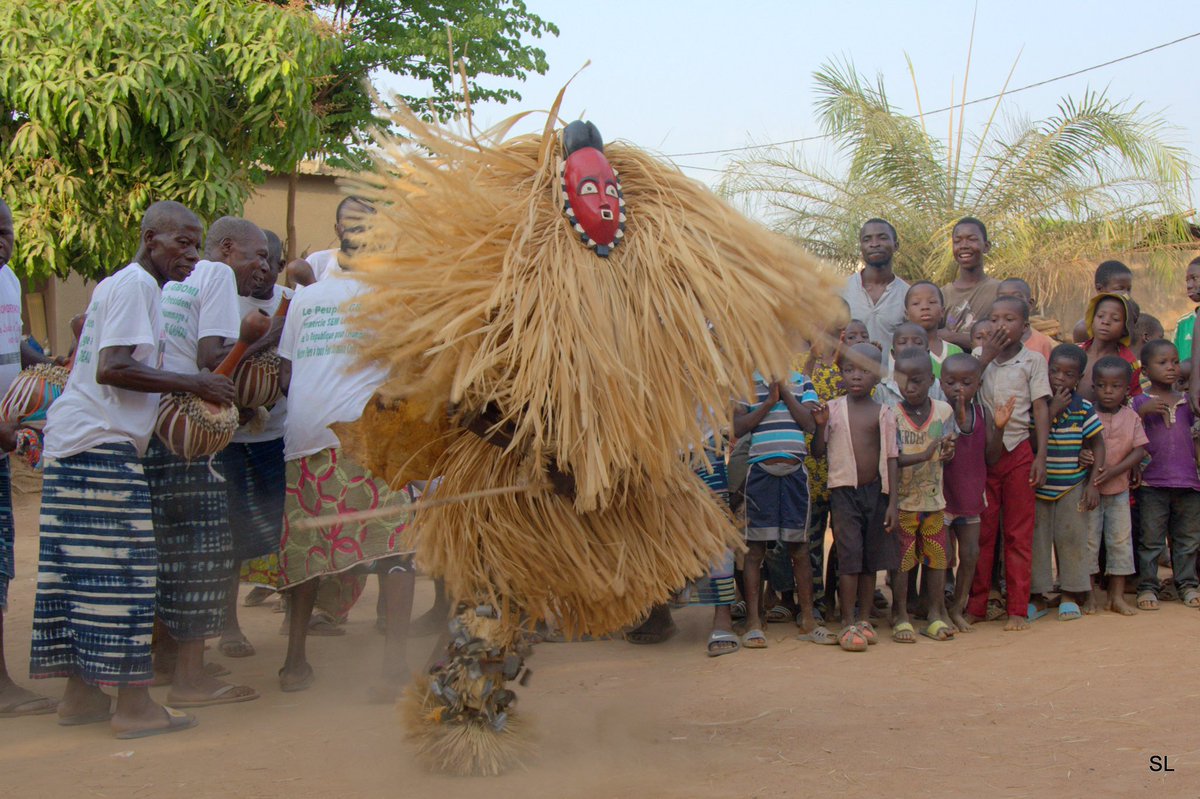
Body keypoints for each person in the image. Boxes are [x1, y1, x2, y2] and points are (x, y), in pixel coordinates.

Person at [29, 201, 235, 737]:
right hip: (99, 446)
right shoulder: (138, 287)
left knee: (81, 575)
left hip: (75, 445)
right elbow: (113, 368)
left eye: (196, 244)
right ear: (150, 239)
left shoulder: (124, 286)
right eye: (182, 243)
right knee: (126, 574)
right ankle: (134, 707)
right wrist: (196, 384)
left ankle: (81, 698)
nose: (191, 255)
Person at [276, 230, 416, 699]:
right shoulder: (389, 297)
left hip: (303, 439)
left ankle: (294, 664)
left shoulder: (306, 297)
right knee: (396, 548)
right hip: (361, 439)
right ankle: (393, 665)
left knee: (306, 550)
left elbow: (286, 372)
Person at [143, 216, 261, 707]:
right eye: (257, 255)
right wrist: (254, 339)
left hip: (153, 428)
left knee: (166, 550)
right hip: (188, 434)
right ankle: (190, 679)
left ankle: (163, 660)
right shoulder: (212, 276)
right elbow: (211, 359)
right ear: (229, 250)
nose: (263, 267)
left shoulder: (165, 282)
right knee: (201, 551)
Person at [0, 198, 62, 718]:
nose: (3, 242)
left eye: (8, 233)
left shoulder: (8, 281)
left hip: (3, 436)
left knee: (2, 566)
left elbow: (16, 343)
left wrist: (52, 366)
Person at [215, 225, 289, 658]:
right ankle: (228, 626)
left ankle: (288, 604)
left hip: (275, 436)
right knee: (229, 534)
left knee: (278, 526)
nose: (262, 270)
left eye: (270, 262)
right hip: (225, 438)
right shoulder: (224, 299)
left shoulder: (291, 305)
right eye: (257, 260)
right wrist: (267, 336)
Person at [967, 295, 1050, 631]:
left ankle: (1017, 607)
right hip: (984, 458)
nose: (1001, 325)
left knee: (1018, 534)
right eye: (995, 319)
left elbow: (1041, 408)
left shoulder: (1033, 361)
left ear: (1025, 327)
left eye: (1010, 319)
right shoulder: (976, 358)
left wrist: (1040, 456)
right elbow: (965, 392)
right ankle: (976, 605)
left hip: (1018, 453)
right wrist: (984, 357)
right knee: (982, 535)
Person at [810, 343, 898, 651]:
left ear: (877, 376)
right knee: (849, 556)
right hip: (843, 493)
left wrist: (893, 503)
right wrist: (820, 427)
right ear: (840, 374)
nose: (855, 377)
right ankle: (847, 620)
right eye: (849, 370)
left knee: (870, 560)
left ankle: (863, 618)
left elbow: (891, 458)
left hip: (876, 493)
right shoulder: (832, 409)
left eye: (863, 371)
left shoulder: (884, 413)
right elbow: (818, 453)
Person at [733, 369, 819, 648]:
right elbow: (738, 427)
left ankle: (808, 618)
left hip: (795, 473)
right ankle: (754, 621)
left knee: (800, 548)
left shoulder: (802, 380)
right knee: (755, 548)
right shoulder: (745, 383)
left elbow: (810, 424)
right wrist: (769, 402)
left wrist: (782, 390)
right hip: (760, 473)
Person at [1030, 344, 1105, 621]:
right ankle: (1037, 596)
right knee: (1037, 541)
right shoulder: (1035, 404)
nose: (1060, 378)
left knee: (1071, 540)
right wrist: (1050, 411)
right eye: (1054, 371)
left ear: (1079, 378)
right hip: (1038, 486)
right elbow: (1029, 441)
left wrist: (1093, 483)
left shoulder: (1083, 408)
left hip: (1072, 485)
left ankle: (1070, 593)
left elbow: (1098, 444)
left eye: (1068, 374)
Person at [889, 349, 956, 642]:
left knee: (937, 559)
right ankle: (900, 613)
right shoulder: (891, 415)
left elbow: (947, 450)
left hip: (934, 502)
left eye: (917, 381)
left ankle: (934, 613)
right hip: (904, 503)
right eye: (903, 381)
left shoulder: (944, 411)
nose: (910, 388)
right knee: (904, 562)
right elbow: (891, 459)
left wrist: (948, 452)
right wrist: (925, 454)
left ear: (932, 379)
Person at [939, 353, 1009, 632]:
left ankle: (958, 607)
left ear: (978, 385)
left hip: (971, 496)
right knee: (941, 557)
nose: (959, 389)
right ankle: (938, 608)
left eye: (966, 382)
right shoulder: (936, 412)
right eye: (951, 382)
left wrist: (1000, 430)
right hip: (942, 498)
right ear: (940, 383)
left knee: (970, 555)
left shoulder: (983, 414)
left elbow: (992, 457)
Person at [1132, 339, 1200, 610]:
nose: (1171, 368)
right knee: (1151, 539)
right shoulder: (1138, 401)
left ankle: (1187, 584)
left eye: (1174, 361)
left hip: (1189, 482)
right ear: (1146, 371)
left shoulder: (1189, 402)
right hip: (1152, 482)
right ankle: (1148, 586)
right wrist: (1140, 411)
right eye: (1162, 363)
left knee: (1187, 539)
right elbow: (1124, 432)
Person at [1088, 355, 1146, 616]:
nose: (1108, 391)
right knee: (1089, 542)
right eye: (1101, 385)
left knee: (1120, 542)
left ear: (1126, 388)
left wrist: (1115, 470)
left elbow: (1139, 451)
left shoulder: (1131, 416)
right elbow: (1078, 445)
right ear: (1093, 386)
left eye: (1115, 386)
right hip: (1089, 491)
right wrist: (1082, 455)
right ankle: (1088, 596)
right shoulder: (1086, 413)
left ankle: (1116, 597)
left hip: (1119, 490)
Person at [841, 218, 910, 346]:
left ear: (896, 246)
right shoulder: (841, 290)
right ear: (861, 247)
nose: (874, 244)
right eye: (867, 240)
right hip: (849, 367)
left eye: (882, 238)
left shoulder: (908, 295)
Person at [941, 217, 1001, 346]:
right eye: (957, 241)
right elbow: (929, 337)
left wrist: (952, 337)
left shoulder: (1000, 291)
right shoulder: (942, 295)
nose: (963, 246)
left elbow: (1001, 340)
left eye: (972, 239)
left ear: (986, 246)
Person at [1079, 292, 1141, 402]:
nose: (1105, 322)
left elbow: (1135, 401)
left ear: (1125, 328)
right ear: (1091, 320)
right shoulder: (1075, 353)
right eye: (1100, 316)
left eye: (1115, 319)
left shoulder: (1130, 364)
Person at [874, 322, 948, 407]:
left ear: (927, 352)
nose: (910, 346)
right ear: (893, 354)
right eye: (902, 342)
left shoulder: (937, 386)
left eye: (918, 342)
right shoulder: (883, 387)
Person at [304, 196, 373, 282]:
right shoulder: (316, 263)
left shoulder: (390, 268)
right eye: (349, 222)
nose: (356, 229)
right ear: (337, 230)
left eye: (363, 222)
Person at [904, 280, 961, 377]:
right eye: (916, 303)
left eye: (932, 302)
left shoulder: (956, 351)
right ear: (907, 314)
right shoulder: (901, 349)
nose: (925, 307)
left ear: (942, 311)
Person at [1072, 260, 1134, 344]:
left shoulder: (1134, 324)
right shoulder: (1083, 329)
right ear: (1099, 289)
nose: (1126, 294)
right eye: (1120, 289)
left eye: (1128, 289)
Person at [996, 278, 1055, 361]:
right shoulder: (989, 341)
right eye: (1003, 298)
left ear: (1030, 304)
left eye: (1016, 297)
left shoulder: (1042, 344)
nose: (1009, 303)